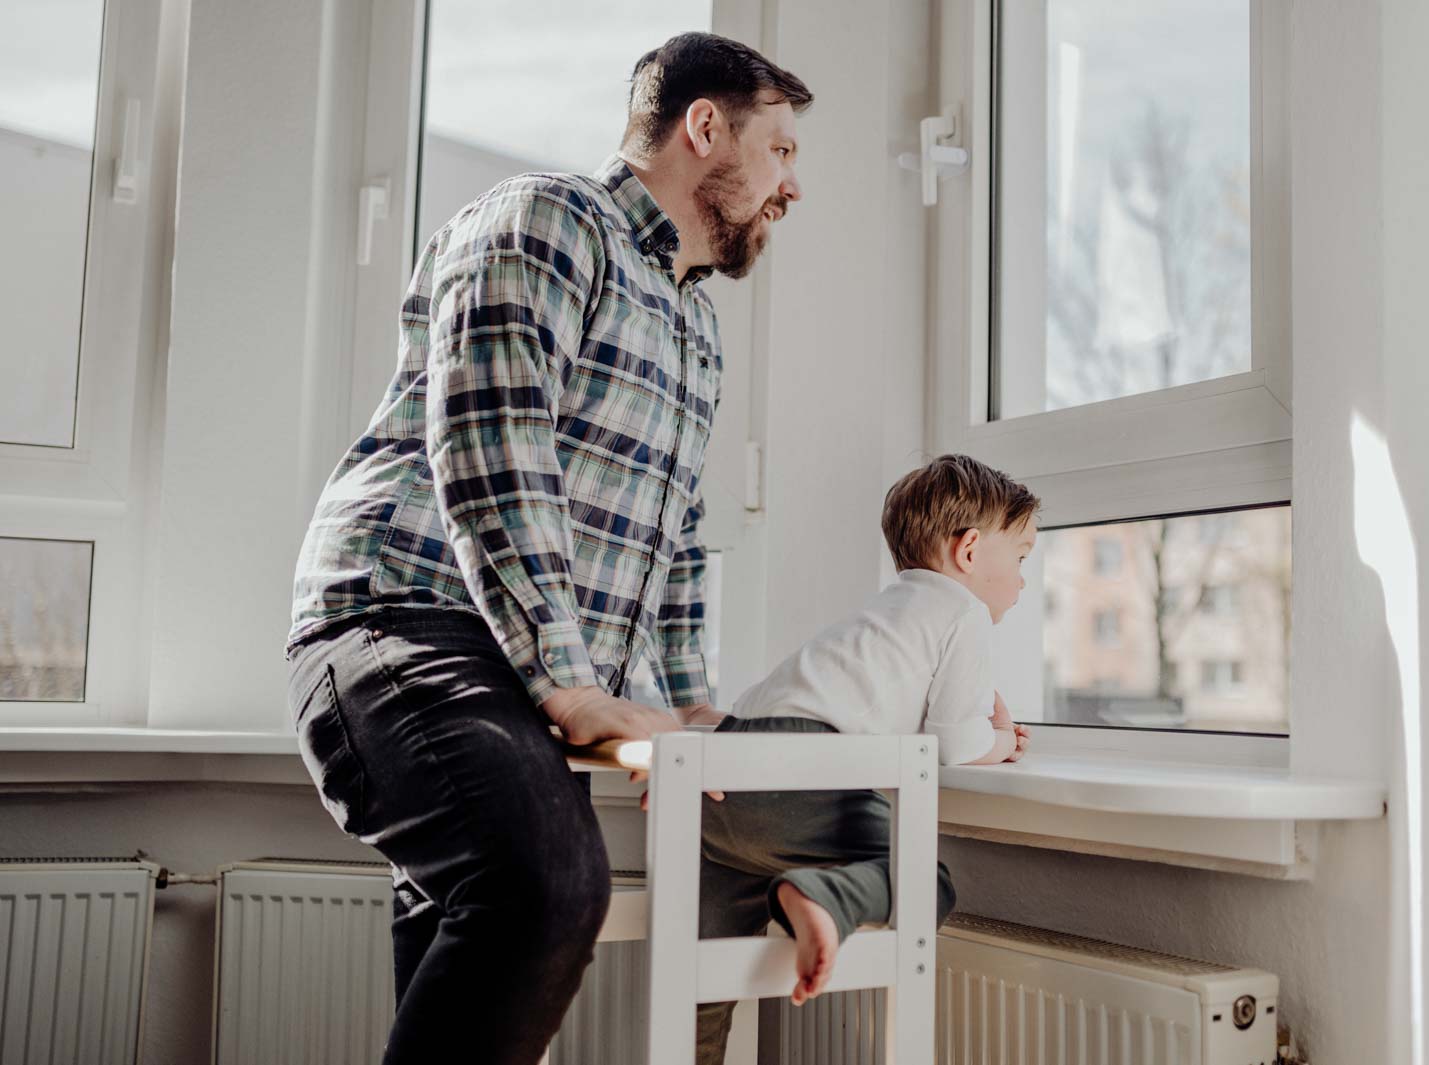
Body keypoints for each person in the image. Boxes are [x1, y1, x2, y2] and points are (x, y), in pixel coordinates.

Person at [282, 32, 810, 1065]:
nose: (794, 186)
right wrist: (574, 686)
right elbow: (495, 447)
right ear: (706, 128)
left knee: (477, 929)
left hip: (514, 673)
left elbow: (673, 536)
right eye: (781, 151)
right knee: (545, 885)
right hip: (403, 623)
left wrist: (691, 703)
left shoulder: (694, 331)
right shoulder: (549, 221)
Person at [690, 453, 1038, 1065]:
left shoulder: (883, 611)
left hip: (723, 780)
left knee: (705, 984)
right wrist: (1005, 741)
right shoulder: (962, 612)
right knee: (926, 880)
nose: (1023, 579)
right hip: (800, 776)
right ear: (971, 551)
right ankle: (824, 898)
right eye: (1022, 557)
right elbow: (956, 743)